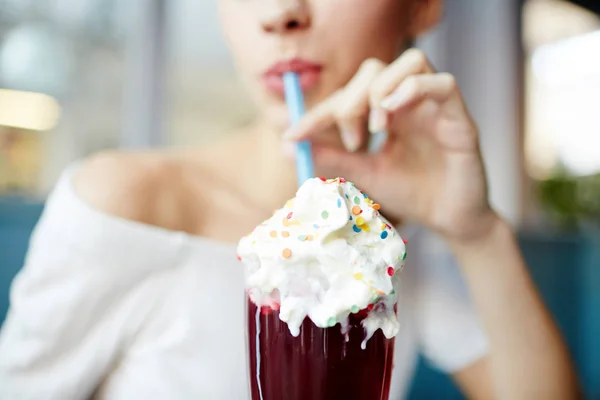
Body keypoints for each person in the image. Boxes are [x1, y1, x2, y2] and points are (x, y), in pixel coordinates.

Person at [0, 0, 580, 399]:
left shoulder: (387, 240)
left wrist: (477, 231)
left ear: (424, 3)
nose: (280, 13)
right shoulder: (121, 205)